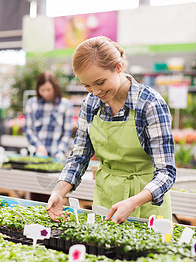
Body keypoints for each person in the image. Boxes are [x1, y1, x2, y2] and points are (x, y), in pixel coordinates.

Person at [47, 36, 176, 223]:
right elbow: (79, 156)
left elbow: (167, 172)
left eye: (100, 82)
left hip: (147, 207)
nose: (95, 92)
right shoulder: (91, 105)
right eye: (87, 86)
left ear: (118, 67)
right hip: (105, 201)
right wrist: (59, 192)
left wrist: (133, 202)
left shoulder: (149, 104)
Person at [24, 71, 73, 160]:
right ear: (38, 89)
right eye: (42, 90)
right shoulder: (31, 103)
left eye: (49, 90)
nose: (45, 93)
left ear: (55, 88)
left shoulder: (66, 105)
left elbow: (67, 134)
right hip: (37, 155)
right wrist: (38, 146)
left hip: (58, 156)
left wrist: (60, 151)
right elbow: (28, 130)